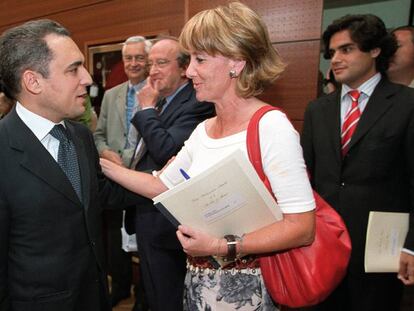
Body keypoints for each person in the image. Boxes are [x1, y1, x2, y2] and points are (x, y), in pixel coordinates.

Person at [101, 2, 315, 310]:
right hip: (198, 285)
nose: (189, 72)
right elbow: (162, 185)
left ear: (237, 62)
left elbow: (302, 227)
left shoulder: (271, 127)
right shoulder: (203, 130)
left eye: (200, 59)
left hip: (247, 290)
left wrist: (220, 246)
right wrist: (101, 165)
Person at [0, 19, 134, 311]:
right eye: (74, 69)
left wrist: (165, 179)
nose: (87, 78)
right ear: (33, 81)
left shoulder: (79, 135)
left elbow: (98, 195)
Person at [301, 14, 414, 311]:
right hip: (323, 245)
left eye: (346, 49)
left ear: (375, 50)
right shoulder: (317, 110)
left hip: (379, 251)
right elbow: (306, 178)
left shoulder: (406, 104)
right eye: (333, 52)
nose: (335, 59)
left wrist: (411, 246)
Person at [123, 36, 215, 311]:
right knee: (154, 292)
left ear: (184, 68)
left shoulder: (197, 103)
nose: (152, 71)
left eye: (161, 63)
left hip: (167, 221)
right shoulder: (166, 100)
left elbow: (166, 151)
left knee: (168, 296)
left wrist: (147, 108)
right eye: (151, 63)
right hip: (147, 212)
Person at [93, 35, 151, 308]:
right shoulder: (111, 94)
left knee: (143, 238)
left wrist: (123, 159)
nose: (134, 63)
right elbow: (99, 134)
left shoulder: (157, 93)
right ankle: (119, 286)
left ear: (148, 61)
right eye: (129, 58)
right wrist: (104, 152)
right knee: (115, 238)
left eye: (140, 57)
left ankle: (143, 294)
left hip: (144, 180)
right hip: (113, 178)